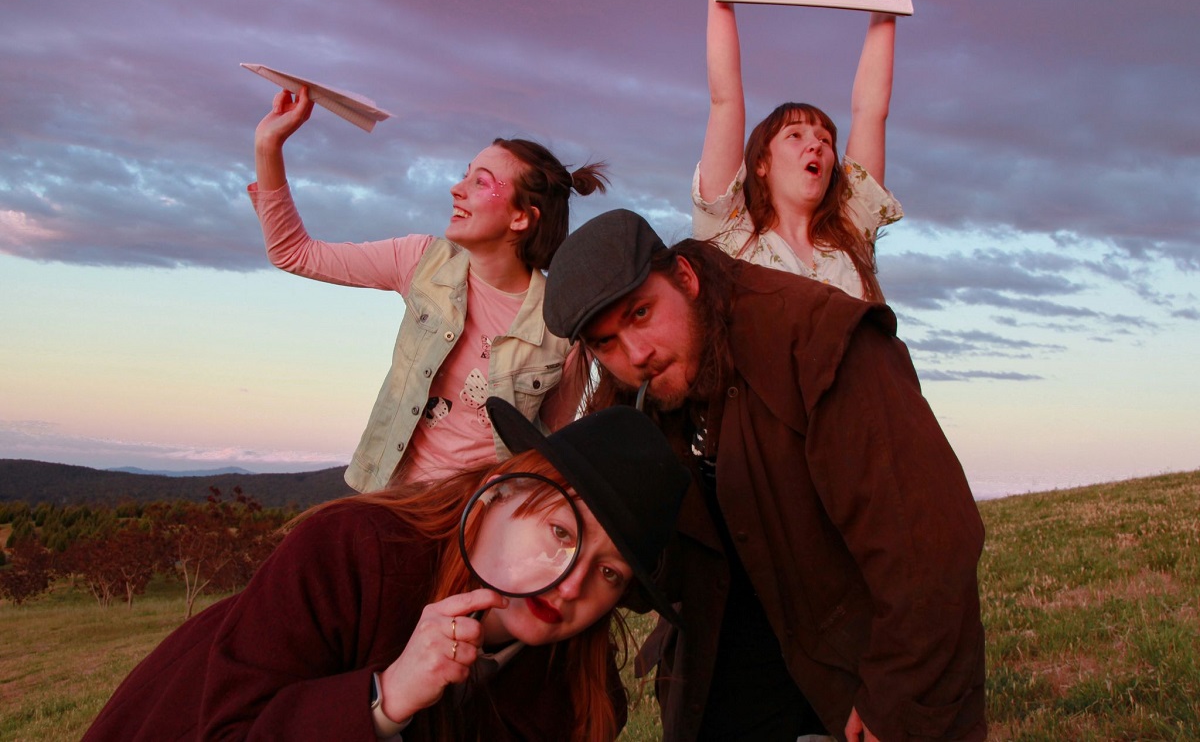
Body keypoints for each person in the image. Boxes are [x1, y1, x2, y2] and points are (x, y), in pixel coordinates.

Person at [543, 209, 987, 742]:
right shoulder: (631, 395)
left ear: (685, 276)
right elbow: (659, 573)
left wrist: (893, 702)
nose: (636, 354)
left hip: (852, 680)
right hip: (727, 683)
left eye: (641, 313)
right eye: (604, 343)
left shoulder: (820, 341)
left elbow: (928, 549)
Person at [83, 397, 690, 742]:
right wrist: (385, 696)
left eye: (610, 573)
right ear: (502, 492)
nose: (574, 582)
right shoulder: (352, 552)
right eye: (561, 532)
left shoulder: (583, 701)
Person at [250, 86, 608, 490]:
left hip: (478, 522)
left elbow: (546, 449)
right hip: (388, 500)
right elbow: (293, 253)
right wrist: (268, 144)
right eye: (465, 175)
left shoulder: (562, 323)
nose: (457, 189)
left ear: (522, 218)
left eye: (481, 182)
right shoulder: (422, 262)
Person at [692, 0, 913, 302]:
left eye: (825, 140)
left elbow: (871, 110)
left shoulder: (851, 232)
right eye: (795, 135)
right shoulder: (728, 230)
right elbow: (724, 99)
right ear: (760, 163)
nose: (816, 145)